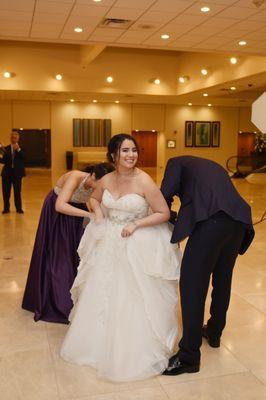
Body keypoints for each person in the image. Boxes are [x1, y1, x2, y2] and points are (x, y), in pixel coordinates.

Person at [60, 134, 181, 382]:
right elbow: (93, 198)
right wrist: (99, 215)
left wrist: (137, 223)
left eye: (134, 150)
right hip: (108, 241)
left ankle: (129, 348)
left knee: (130, 295)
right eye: (125, 151)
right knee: (101, 292)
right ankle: (96, 345)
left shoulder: (144, 181)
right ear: (113, 155)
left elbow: (163, 212)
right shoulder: (106, 178)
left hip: (135, 241)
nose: (131, 155)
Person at [161, 155, 255, 376]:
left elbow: (164, 195)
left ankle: (189, 356)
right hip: (238, 222)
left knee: (192, 286)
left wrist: (168, 215)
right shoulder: (211, 163)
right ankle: (214, 332)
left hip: (211, 222)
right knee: (223, 279)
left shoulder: (175, 162)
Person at [22, 163, 114, 324]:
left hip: (75, 214)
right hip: (57, 213)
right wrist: (89, 215)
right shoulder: (75, 177)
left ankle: (76, 298)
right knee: (59, 256)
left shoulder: (97, 184)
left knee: (76, 254)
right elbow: (60, 205)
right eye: (100, 184)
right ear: (92, 176)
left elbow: (90, 201)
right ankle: (58, 301)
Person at [0, 131, 25, 214]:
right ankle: (6, 208)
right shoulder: (6, 148)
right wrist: (0, 152)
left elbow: (24, 157)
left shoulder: (22, 148)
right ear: (10, 139)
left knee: (17, 192)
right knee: (6, 192)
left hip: (17, 174)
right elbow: (3, 161)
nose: (14, 139)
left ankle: (19, 208)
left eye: (15, 138)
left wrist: (18, 149)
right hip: (6, 174)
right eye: (12, 138)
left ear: (18, 138)